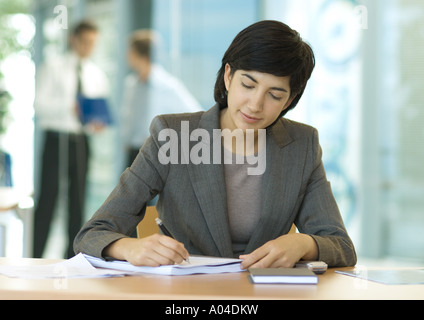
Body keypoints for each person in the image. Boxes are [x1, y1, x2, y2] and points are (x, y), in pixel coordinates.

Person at [74, 20, 357, 269]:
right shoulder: (173, 135)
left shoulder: (301, 145)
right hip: (185, 295)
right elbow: (92, 233)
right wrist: (129, 248)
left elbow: (341, 246)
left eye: (274, 94)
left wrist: (304, 244)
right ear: (228, 76)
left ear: (290, 100)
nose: (255, 105)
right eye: (248, 84)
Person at [34, 20, 109, 258]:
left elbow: (99, 112)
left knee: (77, 201)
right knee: (48, 199)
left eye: (93, 43)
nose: (88, 47)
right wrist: (70, 108)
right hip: (57, 139)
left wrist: (97, 123)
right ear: (73, 39)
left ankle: (72, 257)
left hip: (80, 141)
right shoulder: (53, 66)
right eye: (85, 41)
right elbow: (40, 105)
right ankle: (35, 254)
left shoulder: (95, 74)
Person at [121, 30, 201, 168]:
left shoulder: (167, 85)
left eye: (130, 50)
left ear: (142, 55)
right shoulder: (131, 84)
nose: (127, 55)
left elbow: (196, 115)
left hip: (156, 153)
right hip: (134, 152)